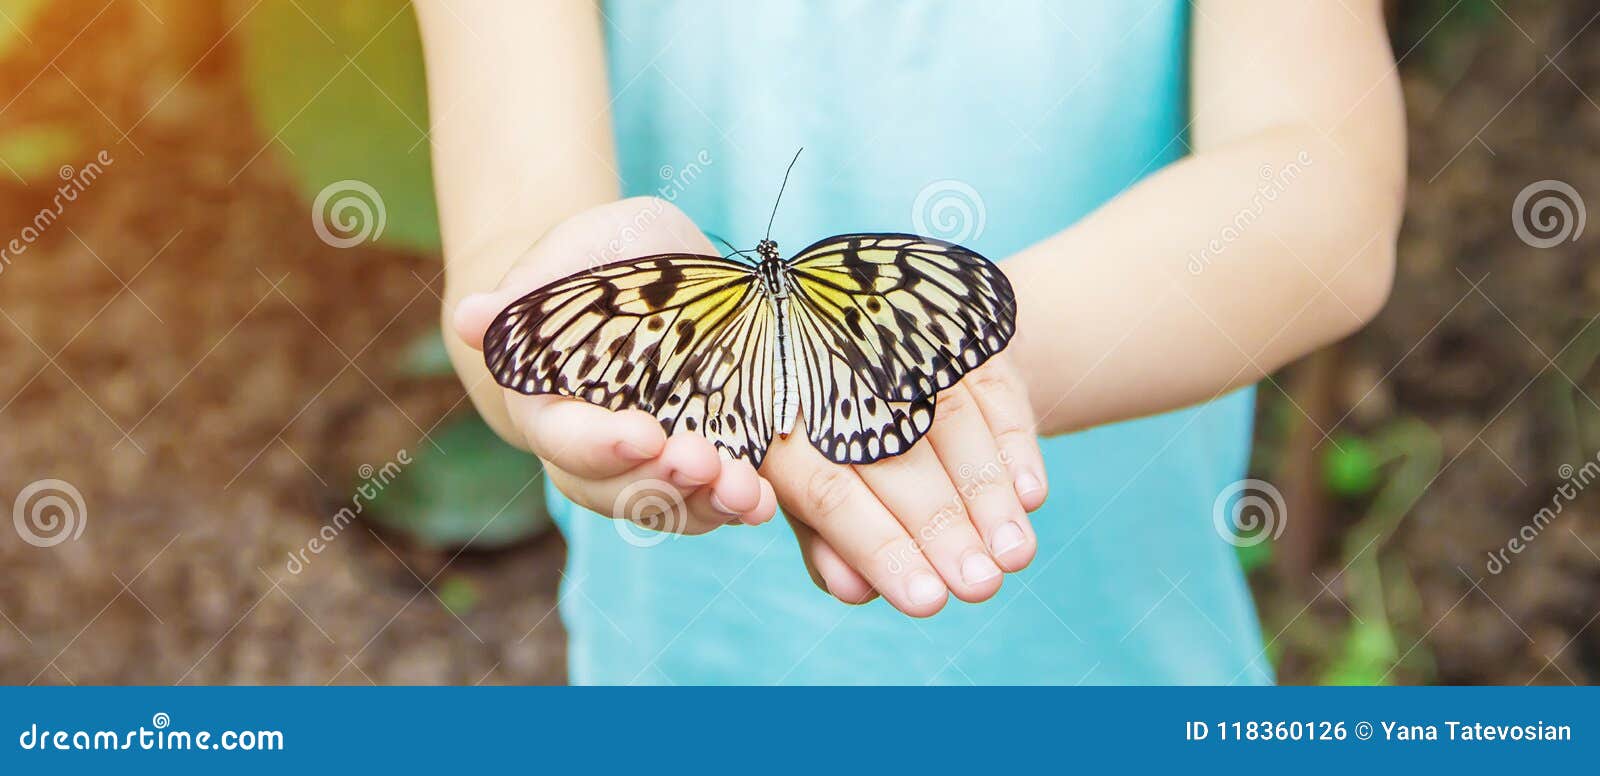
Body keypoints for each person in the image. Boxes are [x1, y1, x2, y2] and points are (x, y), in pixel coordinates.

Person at [415, 0, 1404, 684]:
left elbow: (1321, 188)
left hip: (1122, 678)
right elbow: (511, 256)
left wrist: (981, 363)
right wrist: (557, 302)